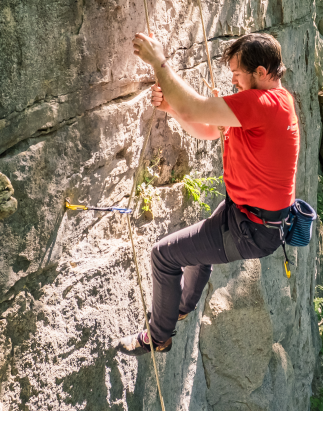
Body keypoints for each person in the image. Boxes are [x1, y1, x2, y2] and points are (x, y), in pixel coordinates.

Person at [117, 31, 299, 355]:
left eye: (238, 75)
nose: (234, 83)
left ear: (260, 73)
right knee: (199, 251)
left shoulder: (260, 104)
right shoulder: (278, 102)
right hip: (249, 218)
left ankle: (158, 336)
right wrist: (173, 109)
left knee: (164, 255)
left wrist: (160, 62)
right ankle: (183, 306)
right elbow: (207, 129)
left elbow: (197, 108)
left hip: (249, 229)